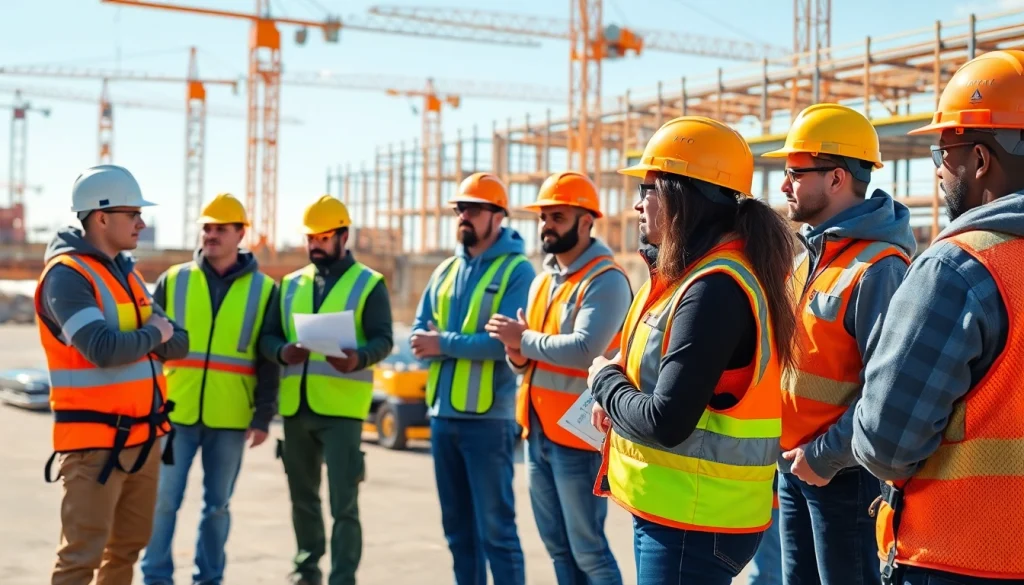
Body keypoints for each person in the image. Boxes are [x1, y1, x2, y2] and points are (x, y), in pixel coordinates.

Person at [586, 116, 798, 585]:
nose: (638, 204)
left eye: (649, 188)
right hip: (685, 516)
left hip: (694, 522)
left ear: (684, 197)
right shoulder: (688, 278)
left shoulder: (714, 289)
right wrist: (621, 400)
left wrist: (604, 382)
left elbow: (667, 421)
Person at [853, 49, 1024, 585]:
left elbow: (885, 442)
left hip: (959, 557)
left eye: (941, 153)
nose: (939, 170)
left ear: (979, 159)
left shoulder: (959, 269)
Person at [760, 103, 916, 585]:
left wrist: (824, 456)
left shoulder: (880, 268)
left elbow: (887, 393)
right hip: (795, 468)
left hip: (845, 476)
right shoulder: (810, 256)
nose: (783, 185)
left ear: (837, 178)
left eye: (794, 172)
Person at [33, 164, 188, 585]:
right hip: (93, 446)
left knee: (126, 551)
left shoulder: (127, 273)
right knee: (81, 558)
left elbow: (180, 342)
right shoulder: (67, 276)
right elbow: (100, 348)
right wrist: (153, 332)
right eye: (133, 214)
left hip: (143, 440)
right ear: (101, 217)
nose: (142, 222)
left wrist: (150, 335)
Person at [486, 171, 631, 585]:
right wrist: (517, 353)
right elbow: (530, 359)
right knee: (558, 549)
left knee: (589, 553)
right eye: (544, 217)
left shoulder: (606, 279)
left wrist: (522, 339)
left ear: (587, 222)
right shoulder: (542, 280)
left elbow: (585, 348)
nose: (547, 225)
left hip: (579, 439)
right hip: (538, 432)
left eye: (558, 217)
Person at [141, 193, 279, 585]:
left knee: (217, 507)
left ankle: (209, 579)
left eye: (221, 228)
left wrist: (263, 416)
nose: (212, 234)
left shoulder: (265, 290)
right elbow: (150, 346)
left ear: (240, 234)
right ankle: (155, 577)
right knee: (164, 502)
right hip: (174, 412)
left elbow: (266, 360)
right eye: (207, 227)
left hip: (231, 416)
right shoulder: (174, 279)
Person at [261, 195, 394, 585]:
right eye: (310, 238)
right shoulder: (289, 284)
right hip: (297, 408)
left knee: (344, 504)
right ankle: (306, 569)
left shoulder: (369, 283)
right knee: (302, 499)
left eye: (322, 237)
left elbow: (383, 339)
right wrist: (283, 351)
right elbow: (267, 338)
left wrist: (358, 358)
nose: (314, 245)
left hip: (343, 410)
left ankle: (342, 578)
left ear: (343, 236)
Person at [411, 172, 535, 585]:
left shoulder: (518, 271)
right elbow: (418, 332)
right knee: (457, 533)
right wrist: (428, 341)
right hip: (442, 417)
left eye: (473, 209)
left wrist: (442, 343)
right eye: (460, 209)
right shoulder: (445, 270)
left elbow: (504, 342)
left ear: (498, 216)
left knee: (496, 533)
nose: (463, 216)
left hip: (489, 421)